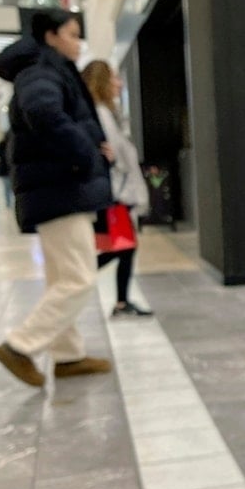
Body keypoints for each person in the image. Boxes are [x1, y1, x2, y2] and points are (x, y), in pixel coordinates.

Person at [0, 9, 114, 387]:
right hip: (61, 189)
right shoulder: (42, 72)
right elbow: (44, 113)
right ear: (50, 36)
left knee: (62, 276)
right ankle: (21, 346)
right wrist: (88, 152)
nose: (78, 42)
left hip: (58, 188)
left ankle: (67, 356)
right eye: (73, 34)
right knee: (78, 278)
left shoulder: (45, 69)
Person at [80, 59, 153, 317]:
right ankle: (78, 279)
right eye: (114, 78)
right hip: (116, 193)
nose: (119, 83)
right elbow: (113, 156)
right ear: (101, 81)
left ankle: (121, 302)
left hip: (118, 192)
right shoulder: (101, 114)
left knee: (124, 247)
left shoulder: (106, 113)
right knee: (123, 246)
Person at [0, 131, 14, 208]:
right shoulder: (10, 145)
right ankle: (9, 202)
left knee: (7, 186)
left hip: (6, 169)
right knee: (10, 186)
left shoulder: (2, 144)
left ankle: (8, 202)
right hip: (9, 169)